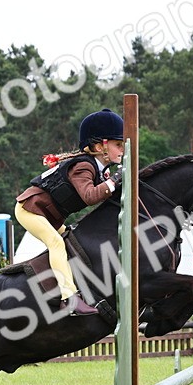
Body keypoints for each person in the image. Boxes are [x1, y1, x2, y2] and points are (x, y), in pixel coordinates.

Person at [15, 108, 124, 316]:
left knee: (70, 240)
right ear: (100, 146)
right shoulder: (83, 167)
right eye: (118, 145)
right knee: (56, 243)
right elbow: (90, 196)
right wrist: (115, 180)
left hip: (49, 215)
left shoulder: (100, 169)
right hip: (30, 210)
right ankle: (69, 299)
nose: (122, 150)